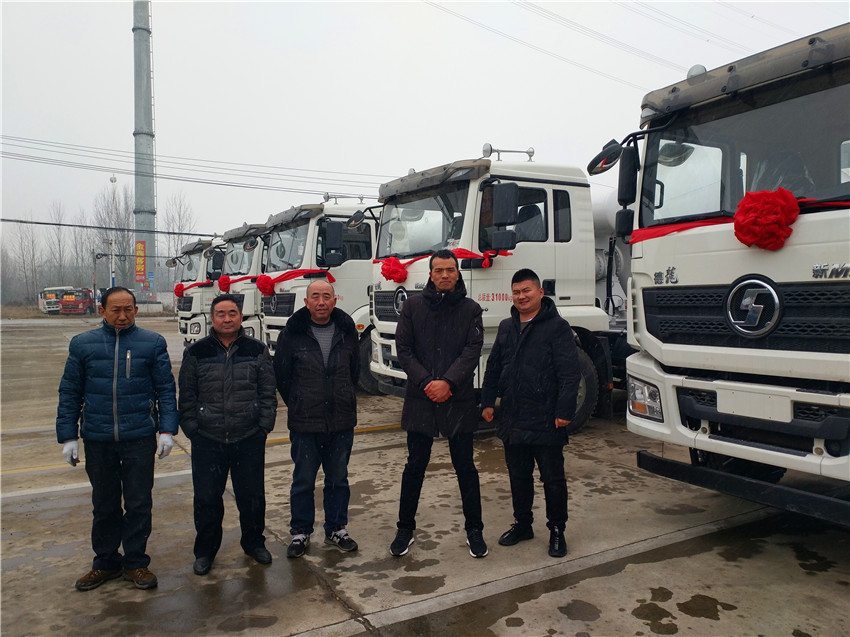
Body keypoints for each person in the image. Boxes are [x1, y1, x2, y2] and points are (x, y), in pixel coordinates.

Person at [56, 286, 178, 591]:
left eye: (128, 309)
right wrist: (68, 436)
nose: (123, 316)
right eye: (116, 310)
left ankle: (136, 561)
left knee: (138, 503)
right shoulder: (82, 345)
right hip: (98, 438)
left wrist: (167, 430)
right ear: (102, 311)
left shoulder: (152, 343)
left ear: (136, 310)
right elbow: (70, 392)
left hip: (139, 437)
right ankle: (106, 562)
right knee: (104, 503)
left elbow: (165, 389)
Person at [390, 249, 487, 558]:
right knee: (414, 466)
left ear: (457, 273)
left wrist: (448, 382)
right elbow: (404, 349)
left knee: (465, 467)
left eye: (450, 270)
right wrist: (426, 382)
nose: (445, 275)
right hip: (421, 399)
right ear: (430, 275)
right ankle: (404, 528)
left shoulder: (471, 309)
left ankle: (475, 530)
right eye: (439, 270)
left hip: (458, 399)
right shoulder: (413, 307)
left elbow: (472, 350)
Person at [481, 268, 580, 558]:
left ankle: (557, 530)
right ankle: (523, 525)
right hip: (513, 417)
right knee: (518, 476)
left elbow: (569, 373)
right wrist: (487, 402)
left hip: (546, 418)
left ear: (540, 292)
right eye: (516, 292)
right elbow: (493, 367)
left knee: (553, 479)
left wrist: (564, 410)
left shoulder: (557, 327)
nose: (521, 296)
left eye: (527, 290)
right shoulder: (506, 327)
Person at [178, 294, 278, 576]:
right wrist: (192, 429)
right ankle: (205, 551)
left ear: (240, 317)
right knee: (207, 499)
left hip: (248, 437)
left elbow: (268, 393)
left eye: (232, 313)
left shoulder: (256, 350)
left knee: (252, 496)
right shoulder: (196, 352)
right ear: (212, 318)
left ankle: (254, 543)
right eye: (220, 314)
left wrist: (263, 426)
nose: (226, 319)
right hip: (207, 439)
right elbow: (186, 396)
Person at [273, 279, 360, 558]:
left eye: (326, 296)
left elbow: (354, 372)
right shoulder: (292, 334)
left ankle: (336, 528)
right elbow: (282, 376)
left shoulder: (347, 331)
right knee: (303, 480)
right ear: (306, 302)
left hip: (341, 420)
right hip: (305, 421)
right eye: (315, 297)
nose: (321, 302)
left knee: (338, 479)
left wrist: (342, 397)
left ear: (334, 300)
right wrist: (300, 402)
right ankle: (300, 532)